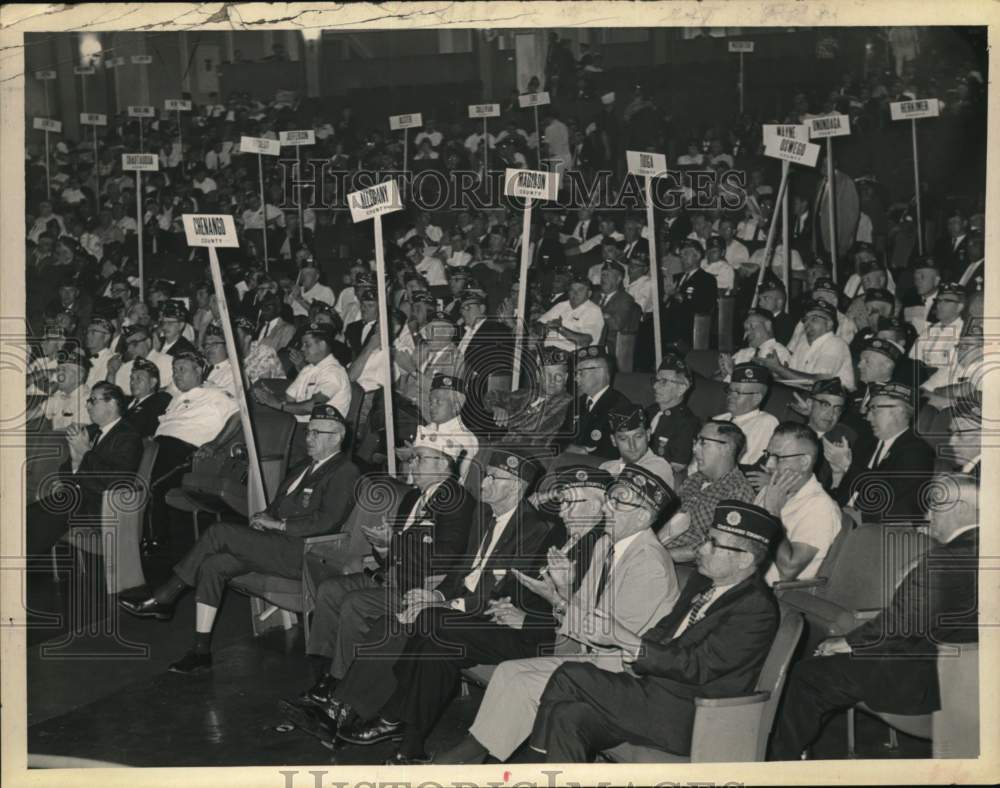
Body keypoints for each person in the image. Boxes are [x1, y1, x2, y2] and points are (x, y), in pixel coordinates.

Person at [342, 464, 614, 764]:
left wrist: (523, 618)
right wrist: (501, 604)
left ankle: (393, 714)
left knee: (431, 620)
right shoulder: (561, 533)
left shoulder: (600, 550)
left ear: (604, 507)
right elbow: (515, 578)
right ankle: (411, 747)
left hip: (539, 637)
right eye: (565, 501)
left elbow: (586, 620)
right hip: (508, 619)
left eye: (580, 503)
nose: (567, 511)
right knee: (438, 645)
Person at [298, 449, 556, 747]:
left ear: (516, 487)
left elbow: (502, 591)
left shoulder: (533, 529)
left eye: (493, 478)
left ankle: (355, 711)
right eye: (486, 475)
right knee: (389, 626)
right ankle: (349, 708)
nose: (483, 483)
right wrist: (436, 593)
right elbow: (465, 567)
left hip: (488, 615)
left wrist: (445, 604)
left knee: (403, 625)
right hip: (458, 601)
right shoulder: (487, 514)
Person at [436, 464, 680, 764]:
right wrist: (561, 591)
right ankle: (477, 755)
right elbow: (583, 611)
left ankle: (468, 759)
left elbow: (605, 635)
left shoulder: (650, 563)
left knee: (525, 684)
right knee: (508, 672)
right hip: (589, 656)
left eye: (618, 502)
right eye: (609, 498)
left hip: (620, 672)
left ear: (643, 516)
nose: (607, 506)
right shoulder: (606, 544)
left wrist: (561, 598)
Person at [526, 500, 782, 762]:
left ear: (745, 559)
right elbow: (664, 629)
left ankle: (530, 773)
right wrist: (634, 658)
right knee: (567, 717)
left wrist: (630, 642)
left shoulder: (756, 608)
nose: (702, 548)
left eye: (714, 544)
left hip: (688, 716)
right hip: (652, 695)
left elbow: (696, 665)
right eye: (706, 538)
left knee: (569, 675)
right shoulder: (702, 581)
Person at [120, 405, 360, 674]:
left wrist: (279, 524)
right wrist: (266, 515)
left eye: (317, 433)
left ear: (337, 437)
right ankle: (200, 651)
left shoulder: (345, 471)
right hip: (277, 544)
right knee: (214, 566)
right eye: (308, 431)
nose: (308, 438)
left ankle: (166, 596)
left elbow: (327, 521)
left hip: (305, 553)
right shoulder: (305, 466)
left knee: (218, 532)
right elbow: (280, 502)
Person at [770, 475, 978, 760]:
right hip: (967, 676)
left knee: (807, 676)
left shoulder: (946, 561)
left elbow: (902, 626)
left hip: (926, 678)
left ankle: (777, 762)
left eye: (936, 506)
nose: (928, 515)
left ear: (962, 510)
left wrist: (850, 642)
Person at [288, 429, 475, 714]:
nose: (412, 465)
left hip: (418, 588)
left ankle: (340, 685)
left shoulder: (457, 501)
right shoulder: (414, 497)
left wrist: (394, 543)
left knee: (354, 604)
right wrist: (385, 548)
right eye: (413, 459)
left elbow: (446, 558)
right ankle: (324, 674)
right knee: (329, 590)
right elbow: (396, 549)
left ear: (442, 464)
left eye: (420, 459)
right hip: (393, 575)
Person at [27, 382, 143, 555]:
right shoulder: (94, 431)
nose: (87, 405)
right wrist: (75, 461)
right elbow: (67, 470)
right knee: (28, 514)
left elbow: (117, 482)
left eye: (93, 401)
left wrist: (85, 453)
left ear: (111, 403)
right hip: (78, 499)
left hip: (100, 507)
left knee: (40, 521)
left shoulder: (128, 436)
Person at [144, 350, 241, 548]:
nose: (176, 374)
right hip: (156, 447)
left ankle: (155, 543)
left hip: (184, 451)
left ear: (199, 371)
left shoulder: (216, 393)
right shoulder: (176, 399)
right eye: (173, 370)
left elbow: (238, 416)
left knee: (151, 484)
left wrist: (215, 444)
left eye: (182, 369)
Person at [826, 382, 936, 523]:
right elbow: (841, 493)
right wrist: (838, 474)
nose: (868, 417)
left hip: (878, 530)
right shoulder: (866, 441)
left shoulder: (918, 452)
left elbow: (883, 494)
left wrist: (848, 466)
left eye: (874, 410)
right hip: (841, 517)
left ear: (898, 412)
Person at [754, 422, 841, 584]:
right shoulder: (772, 489)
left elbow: (788, 571)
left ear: (804, 462)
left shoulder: (820, 507)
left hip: (770, 596)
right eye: (768, 455)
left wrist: (773, 514)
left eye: (778, 458)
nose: (769, 465)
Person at [659, 420, 755, 562]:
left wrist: (658, 557)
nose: (695, 449)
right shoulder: (694, 479)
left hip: (680, 567)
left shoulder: (738, 492)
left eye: (703, 443)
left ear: (726, 448)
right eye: (696, 442)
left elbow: (716, 547)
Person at [487, 345, 573, 450]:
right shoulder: (525, 394)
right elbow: (494, 394)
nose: (552, 381)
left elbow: (533, 431)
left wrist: (507, 419)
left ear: (566, 378)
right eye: (547, 375)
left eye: (558, 376)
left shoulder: (568, 404)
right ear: (537, 376)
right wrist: (497, 406)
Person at [558, 345, 633, 459]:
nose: (575, 378)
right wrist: (569, 448)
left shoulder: (620, 406)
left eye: (580, 373)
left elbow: (620, 452)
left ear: (600, 373)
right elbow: (558, 439)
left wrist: (585, 453)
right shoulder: (576, 403)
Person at [762, 300, 855, 391]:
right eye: (805, 320)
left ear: (829, 324)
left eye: (814, 319)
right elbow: (792, 379)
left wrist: (778, 368)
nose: (807, 324)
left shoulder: (836, 344)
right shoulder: (803, 344)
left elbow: (819, 382)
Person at [706, 363, 778, 467]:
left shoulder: (765, 423)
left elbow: (748, 464)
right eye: (730, 390)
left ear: (756, 398)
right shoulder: (718, 419)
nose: (731, 396)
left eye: (738, 393)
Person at [645, 354, 702, 480]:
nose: (655, 386)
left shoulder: (687, 423)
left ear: (681, 389)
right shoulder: (649, 411)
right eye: (656, 380)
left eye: (664, 382)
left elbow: (677, 470)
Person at [661, 239, 717, 348]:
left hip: (690, 326)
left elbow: (704, 307)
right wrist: (667, 296)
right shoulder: (676, 277)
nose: (682, 258)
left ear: (698, 256)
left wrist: (679, 297)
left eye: (686, 254)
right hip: (670, 323)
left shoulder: (706, 279)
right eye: (681, 255)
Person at [600, 407, 675, 488]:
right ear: (613, 440)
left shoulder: (660, 467)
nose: (632, 445)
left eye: (638, 437)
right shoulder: (606, 467)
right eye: (623, 439)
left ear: (648, 435)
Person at [534, 274, 605, 352]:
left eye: (580, 290)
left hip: (574, 356)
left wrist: (560, 328)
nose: (575, 293)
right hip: (548, 351)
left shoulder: (593, 311)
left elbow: (585, 341)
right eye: (572, 290)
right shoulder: (561, 305)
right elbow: (538, 324)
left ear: (589, 294)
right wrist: (545, 328)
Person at [718, 308, 791, 380]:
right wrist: (724, 374)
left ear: (768, 325)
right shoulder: (742, 353)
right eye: (746, 329)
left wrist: (734, 373)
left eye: (752, 327)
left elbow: (772, 387)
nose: (747, 333)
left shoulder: (780, 353)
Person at [30, 349, 91, 430]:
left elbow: (74, 432)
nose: (58, 374)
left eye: (64, 370)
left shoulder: (86, 399)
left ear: (79, 376)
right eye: (58, 370)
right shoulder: (60, 395)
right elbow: (31, 414)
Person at [110, 323, 174, 396]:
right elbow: (112, 394)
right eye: (127, 345)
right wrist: (112, 373)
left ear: (148, 342)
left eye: (134, 343)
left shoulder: (166, 362)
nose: (129, 349)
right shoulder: (127, 366)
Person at [122, 357, 173, 438]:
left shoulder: (160, 400)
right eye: (132, 378)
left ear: (153, 382)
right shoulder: (124, 401)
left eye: (139, 378)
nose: (132, 382)